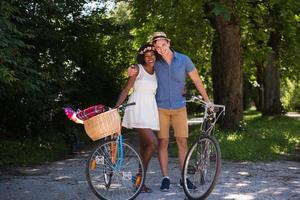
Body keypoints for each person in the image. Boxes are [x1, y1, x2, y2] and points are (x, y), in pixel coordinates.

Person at [128, 32, 211, 191]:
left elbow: (196, 80)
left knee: (182, 142)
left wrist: (207, 101)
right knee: (163, 142)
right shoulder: (156, 62)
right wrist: (131, 69)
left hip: (180, 107)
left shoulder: (184, 60)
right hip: (161, 108)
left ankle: (183, 178)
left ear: (169, 42)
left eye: (163, 45)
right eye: (157, 47)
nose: (161, 49)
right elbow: (140, 66)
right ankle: (165, 177)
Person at [115, 44, 159, 193]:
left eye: (152, 55)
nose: (150, 58)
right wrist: (116, 108)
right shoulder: (138, 69)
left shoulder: (156, 71)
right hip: (137, 108)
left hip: (149, 110)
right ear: (142, 57)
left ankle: (140, 183)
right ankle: (139, 177)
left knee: (144, 147)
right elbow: (127, 89)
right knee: (153, 143)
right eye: (146, 56)